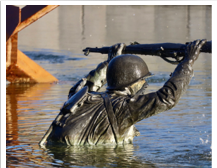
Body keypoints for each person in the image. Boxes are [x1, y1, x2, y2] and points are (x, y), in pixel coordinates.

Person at [43, 39, 207, 146]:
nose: (144, 84)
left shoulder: (80, 98)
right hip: (90, 164)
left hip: (60, 161)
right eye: (143, 81)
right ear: (135, 84)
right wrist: (188, 62)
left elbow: (86, 85)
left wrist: (109, 61)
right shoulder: (124, 107)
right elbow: (167, 98)